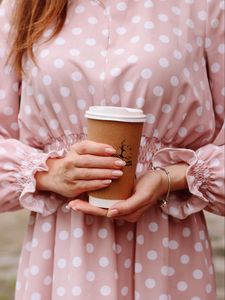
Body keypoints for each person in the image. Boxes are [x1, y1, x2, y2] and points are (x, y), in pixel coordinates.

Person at [0, 0, 224, 299]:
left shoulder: (205, 6)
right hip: (62, 256)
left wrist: (170, 178)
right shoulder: (19, 8)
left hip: (167, 252)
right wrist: (48, 173)